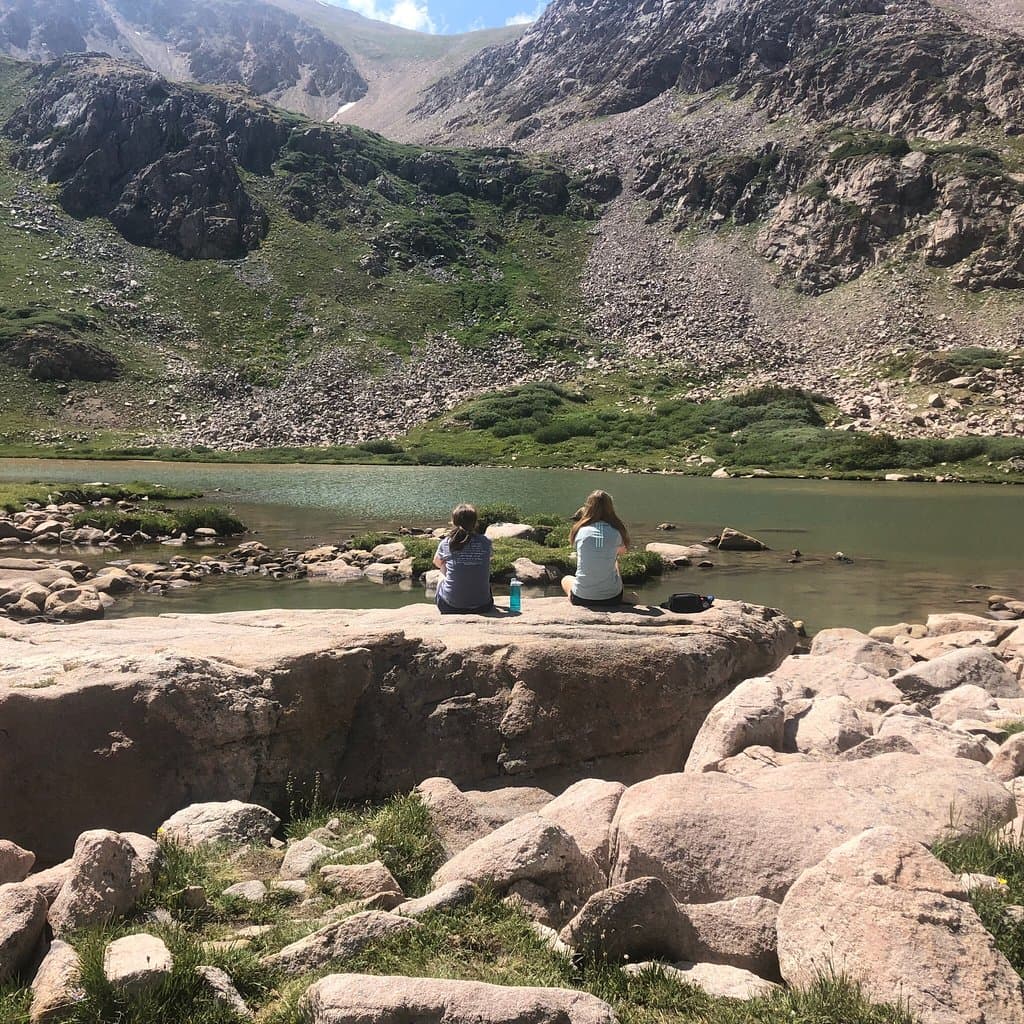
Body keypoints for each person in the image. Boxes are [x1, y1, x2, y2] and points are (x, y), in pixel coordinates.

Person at [561, 489, 629, 606]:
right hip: (612, 598)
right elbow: (623, 551)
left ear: (588, 507)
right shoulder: (617, 531)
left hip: (581, 598)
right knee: (615, 562)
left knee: (566, 579)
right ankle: (610, 591)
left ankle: (574, 596)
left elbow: (578, 548)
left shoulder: (579, 530)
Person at [433, 503, 494, 614]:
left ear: (454, 522)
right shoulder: (486, 542)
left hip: (449, 607)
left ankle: (454, 596)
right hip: (483, 606)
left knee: (443, 564)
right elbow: (489, 559)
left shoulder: (446, 542)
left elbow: (436, 563)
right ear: (475, 522)